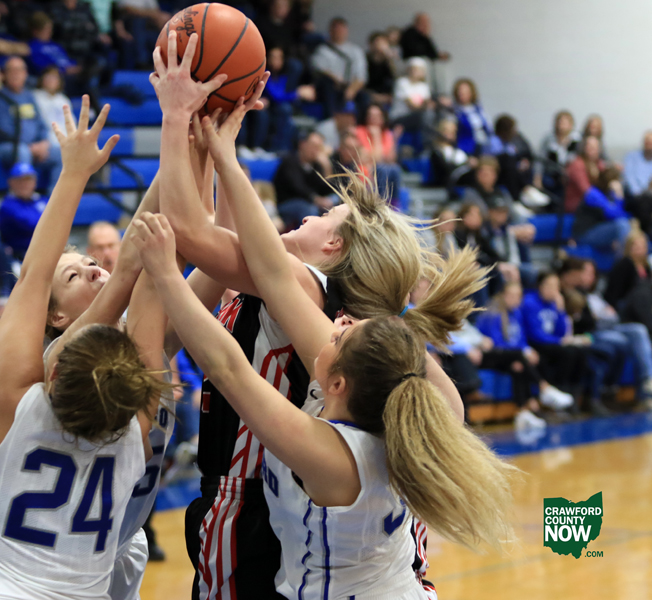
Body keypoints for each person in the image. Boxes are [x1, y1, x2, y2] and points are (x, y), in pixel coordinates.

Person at [151, 34, 484, 599]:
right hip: (352, 543)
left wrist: (181, 118)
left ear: (334, 249)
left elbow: (196, 235)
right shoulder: (370, 338)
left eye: (325, 215)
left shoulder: (308, 287)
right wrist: (216, 140)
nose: (309, 214)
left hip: (256, 499)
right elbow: (227, 238)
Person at [132, 171, 513, 600]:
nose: (337, 325)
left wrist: (167, 271)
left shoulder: (330, 448)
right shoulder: (389, 398)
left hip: (274, 525)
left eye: (338, 335)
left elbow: (229, 364)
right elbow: (447, 405)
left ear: (336, 382)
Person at [0, 95, 169, 599]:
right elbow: (139, 270)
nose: (94, 269)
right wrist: (186, 137)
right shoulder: (134, 426)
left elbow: (38, 276)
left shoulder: (20, 398)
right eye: (75, 273)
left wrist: (73, 173)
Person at [476, 281, 575, 429]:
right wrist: (522, 352)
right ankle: (544, 388)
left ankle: (523, 412)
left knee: (519, 365)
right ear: (503, 295)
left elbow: (521, 339)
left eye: (518, 296)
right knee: (518, 357)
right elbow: (497, 344)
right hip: (489, 355)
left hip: (510, 357)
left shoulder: (516, 313)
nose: (515, 299)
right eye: (511, 295)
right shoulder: (493, 313)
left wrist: (527, 350)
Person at [559, 257, 652, 404]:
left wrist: (602, 316)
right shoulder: (569, 294)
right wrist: (598, 317)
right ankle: (609, 389)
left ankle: (647, 380)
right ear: (572, 273)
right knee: (621, 342)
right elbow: (586, 322)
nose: (589, 277)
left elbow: (612, 316)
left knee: (638, 330)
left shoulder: (592, 294)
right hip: (591, 333)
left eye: (592, 273)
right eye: (586, 273)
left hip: (608, 327)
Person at [522, 272, 613, 415]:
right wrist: (559, 341)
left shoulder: (554, 303)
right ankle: (559, 397)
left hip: (553, 342)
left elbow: (561, 331)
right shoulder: (529, 302)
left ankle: (573, 399)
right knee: (568, 353)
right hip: (536, 343)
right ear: (540, 286)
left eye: (556, 286)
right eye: (549, 285)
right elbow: (534, 333)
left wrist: (560, 310)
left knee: (580, 352)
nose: (553, 289)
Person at [0, 57, 60, 188]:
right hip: (3, 147)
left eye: (20, 70)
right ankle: (24, 197)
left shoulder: (28, 96)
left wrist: (43, 143)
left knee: (62, 153)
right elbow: (3, 131)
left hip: (31, 147)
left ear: (25, 74)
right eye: (12, 70)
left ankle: (55, 198)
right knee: (22, 152)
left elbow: (41, 124)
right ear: (4, 74)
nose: (16, 74)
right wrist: (30, 147)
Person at [271, 130, 335, 229]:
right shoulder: (290, 161)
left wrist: (327, 167)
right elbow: (297, 187)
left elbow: (324, 188)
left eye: (319, 147)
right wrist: (316, 199)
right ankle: (309, 238)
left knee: (337, 201)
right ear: (302, 144)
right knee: (308, 209)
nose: (316, 151)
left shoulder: (316, 165)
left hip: (310, 201)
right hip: (286, 203)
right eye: (313, 146)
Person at [311, 17, 368, 119]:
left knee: (365, 97)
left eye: (342, 30)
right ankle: (331, 120)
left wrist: (352, 90)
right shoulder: (322, 50)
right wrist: (336, 79)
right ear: (330, 31)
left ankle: (361, 125)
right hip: (331, 86)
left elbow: (361, 76)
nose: (339, 33)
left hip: (349, 87)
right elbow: (319, 69)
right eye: (336, 30)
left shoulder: (356, 51)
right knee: (327, 85)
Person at [572, 166, 632, 253]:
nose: (620, 183)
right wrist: (619, 197)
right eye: (619, 180)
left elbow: (622, 215)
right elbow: (613, 215)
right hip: (585, 233)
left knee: (631, 225)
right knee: (622, 225)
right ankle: (623, 258)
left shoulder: (609, 193)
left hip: (600, 228)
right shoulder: (593, 194)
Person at [604, 230, 652, 334]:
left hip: (643, 305)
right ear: (629, 247)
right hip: (625, 305)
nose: (639, 249)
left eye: (641, 246)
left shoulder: (646, 267)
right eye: (635, 245)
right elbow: (614, 290)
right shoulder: (624, 265)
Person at [0, 162, 47, 260]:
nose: (25, 184)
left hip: (47, 250)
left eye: (28, 180)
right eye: (20, 180)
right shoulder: (7, 205)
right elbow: (29, 225)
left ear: (35, 181)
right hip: (21, 255)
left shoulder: (43, 200)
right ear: (11, 182)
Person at [355, 103, 402, 202]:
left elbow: (391, 159)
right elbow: (377, 159)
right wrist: (376, 137)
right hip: (366, 172)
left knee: (395, 169)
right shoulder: (359, 132)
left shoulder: (387, 133)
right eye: (371, 115)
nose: (373, 119)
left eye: (377, 116)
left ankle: (394, 204)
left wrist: (394, 139)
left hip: (383, 170)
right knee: (381, 169)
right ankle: (381, 204)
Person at [26, 12, 78, 79]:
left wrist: (76, 67)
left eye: (50, 29)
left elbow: (68, 60)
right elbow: (42, 68)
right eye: (46, 29)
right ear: (35, 31)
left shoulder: (55, 45)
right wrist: (64, 70)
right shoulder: (33, 47)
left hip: (72, 74)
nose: (50, 32)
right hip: (56, 77)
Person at [540, 110, 580, 194]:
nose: (561, 126)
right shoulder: (549, 139)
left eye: (564, 123)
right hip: (551, 174)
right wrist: (537, 176)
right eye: (559, 122)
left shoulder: (577, 140)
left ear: (571, 125)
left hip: (570, 175)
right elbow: (540, 159)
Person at [390, 57, 433, 132]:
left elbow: (427, 103)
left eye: (419, 70)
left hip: (417, 116)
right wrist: (424, 106)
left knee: (430, 114)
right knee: (426, 116)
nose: (415, 72)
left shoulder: (424, 86)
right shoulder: (401, 82)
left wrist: (425, 106)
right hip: (400, 116)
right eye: (413, 69)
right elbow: (411, 105)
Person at [565, 136, 606, 213]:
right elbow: (586, 190)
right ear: (583, 148)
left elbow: (607, 180)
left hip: (593, 204)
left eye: (595, 147)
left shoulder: (598, 163)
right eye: (590, 147)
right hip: (578, 205)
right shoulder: (577, 164)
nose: (592, 150)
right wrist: (606, 204)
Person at [452, 78, 492, 156]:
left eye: (466, 92)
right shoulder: (455, 111)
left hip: (483, 145)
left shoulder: (478, 109)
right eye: (460, 92)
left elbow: (488, 126)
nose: (462, 94)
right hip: (465, 148)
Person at [429, 118, 473, 188]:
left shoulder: (459, 152)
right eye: (449, 131)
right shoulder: (436, 153)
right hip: (444, 186)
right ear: (441, 132)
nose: (452, 134)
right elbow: (442, 172)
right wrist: (465, 164)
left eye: (454, 132)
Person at [365, 31, 396, 106]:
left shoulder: (390, 61)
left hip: (387, 94)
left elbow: (396, 77)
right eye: (379, 42)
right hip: (370, 93)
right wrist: (374, 96)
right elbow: (362, 81)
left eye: (384, 43)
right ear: (371, 45)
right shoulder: (364, 60)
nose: (381, 46)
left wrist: (389, 59)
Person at [624, 131, 652, 198]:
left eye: (650, 143)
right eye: (647, 142)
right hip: (635, 195)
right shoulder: (632, 157)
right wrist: (639, 194)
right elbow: (629, 178)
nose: (649, 145)